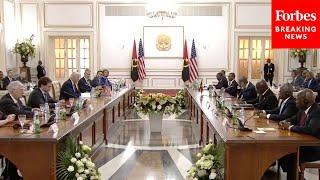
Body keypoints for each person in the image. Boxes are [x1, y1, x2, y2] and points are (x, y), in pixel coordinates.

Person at [278, 89, 320, 180]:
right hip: (304, 144)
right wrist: (286, 121)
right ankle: (294, 176)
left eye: (297, 99)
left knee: (289, 155)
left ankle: (295, 177)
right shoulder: (302, 110)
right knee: (284, 152)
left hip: (314, 148)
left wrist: (289, 127)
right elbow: (294, 119)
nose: (295, 101)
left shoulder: (317, 111)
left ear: (305, 101)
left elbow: (310, 129)